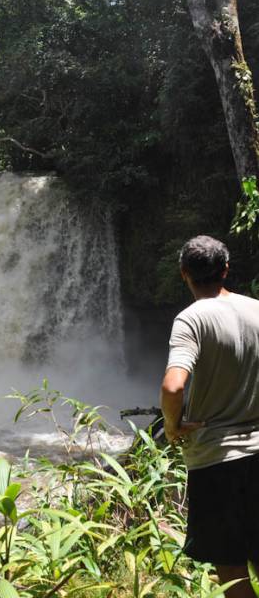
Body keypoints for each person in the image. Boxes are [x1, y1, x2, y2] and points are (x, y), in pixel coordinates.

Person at [161, 235, 259, 598]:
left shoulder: (191, 319)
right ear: (226, 270)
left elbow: (173, 387)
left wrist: (173, 428)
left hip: (217, 461)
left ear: (184, 274)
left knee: (231, 569)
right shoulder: (257, 309)